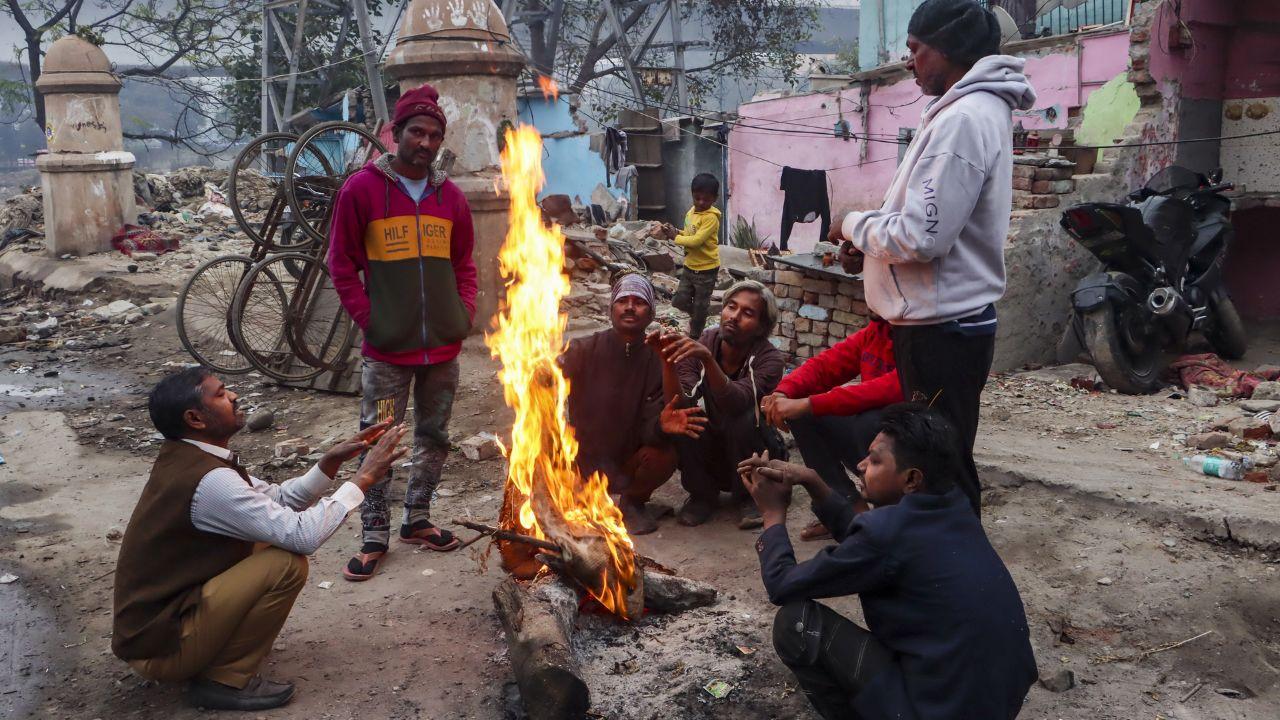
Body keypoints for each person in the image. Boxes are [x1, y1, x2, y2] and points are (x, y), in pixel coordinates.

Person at [828, 0, 1036, 515]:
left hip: (943, 334)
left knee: (942, 467)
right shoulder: (964, 113)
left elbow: (922, 238)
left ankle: (958, 575)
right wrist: (873, 254)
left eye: (917, 49)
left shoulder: (964, 120)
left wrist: (852, 222)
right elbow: (929, 227)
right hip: (938, 327)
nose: (909, 60)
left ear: (949, 48)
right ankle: (940, 564)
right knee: (935, 457)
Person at [112, 368, 408, 711]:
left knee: (267, 542)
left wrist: (329, 463)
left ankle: (215, 654)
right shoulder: (210, 481)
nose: (234, 396)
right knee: (284, 563)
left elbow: (278, 499)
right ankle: (224, 679)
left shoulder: (192, 458)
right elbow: (303, 535)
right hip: (160, 651)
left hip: (159, 631)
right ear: (195, 418)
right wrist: (364, 477)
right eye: (221, 394)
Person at [739, 404, 1037, 720]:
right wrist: (815, 482)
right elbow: (871, 542)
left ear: (911, 479)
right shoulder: (954, 508)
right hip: (996, 703)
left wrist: (772, 515)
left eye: (876, 460)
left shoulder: (886, 534)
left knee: (794, 623)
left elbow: (782, 584)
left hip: (937, 710)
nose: (861, 465)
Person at [328, 83, 478, 579]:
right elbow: (342, 266)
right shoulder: (361, 191)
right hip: (387, 353)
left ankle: (418, 519)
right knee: (380, 437)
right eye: (417, 131)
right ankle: (374, 534)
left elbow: (465, 266)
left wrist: (463, 312)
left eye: (435, 134)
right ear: (396, 132)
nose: (427, 143)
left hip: (442, 350)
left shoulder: (450, 198)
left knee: (433, 435)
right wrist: (374, 321)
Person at [561, 274, 708, 535]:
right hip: (583, 461)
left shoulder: (658, 358)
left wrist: (662, 427)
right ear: (611, 309)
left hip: (629, 463)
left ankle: (632, 501)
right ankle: (580, 496)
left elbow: (659, 422)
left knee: (664, 455)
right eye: (623, 301)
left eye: (639, 302)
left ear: (650, 314)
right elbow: (547, 379)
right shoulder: (583, 349)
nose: (630, 306)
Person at [651, 280, 785, 530]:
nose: (734, 317)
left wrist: (707, 360)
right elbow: (681, 401)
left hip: (753, 446)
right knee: (686, 418)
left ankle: (751, 495)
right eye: (731, 307)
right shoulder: (706, 341)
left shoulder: (769, 359)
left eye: (747, 313)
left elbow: (736, 401)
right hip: (716, 445)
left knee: (743, 418)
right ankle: (703, 495)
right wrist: (667, 362)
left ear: (761, 327)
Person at [761, 314, 903, 541]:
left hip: (907, 453)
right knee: (800, 410)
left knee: (871, 421)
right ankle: (849, 510)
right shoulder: (878, 330)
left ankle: (891, 523)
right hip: (871, 442)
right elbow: (827, 364)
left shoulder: (924, 338)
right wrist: (784, 393)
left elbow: (888, 389)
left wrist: (809, 403)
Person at [665, 173, 722, 338]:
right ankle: (697, 317)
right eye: (697, 198)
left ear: (714, 199)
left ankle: (696, 338)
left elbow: (696, 241)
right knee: (679, 301)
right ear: (692, 195)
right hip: (690, 267)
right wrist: (677, 232)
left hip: (707, 270)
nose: (701, 203)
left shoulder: (711, 218)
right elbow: (690, 233)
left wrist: (674, 237)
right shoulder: (691, 212)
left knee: (700, 307)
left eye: (706, 200)